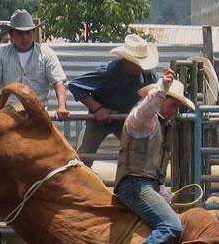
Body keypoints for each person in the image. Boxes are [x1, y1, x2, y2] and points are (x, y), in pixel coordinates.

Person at [112, 67, 195, 244]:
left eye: (178, 107)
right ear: (160, 100)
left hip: (144, 186)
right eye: (173, 104)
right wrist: (162, 89)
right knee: (172, 227)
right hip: (134, 186)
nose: (175, 110)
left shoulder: (160, 125)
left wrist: (163, 193)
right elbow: (146, 109)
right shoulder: (143, 121)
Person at [68, 34, 160, 162]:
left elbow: (158, 91)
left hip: (125, 119)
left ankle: (135, 180)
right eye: (137, 63)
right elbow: (75, 86)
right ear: (127, 61)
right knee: (83, 157)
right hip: (98, 120)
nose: (141, 67)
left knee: (139, 154)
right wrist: (98, 109)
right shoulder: (108, 71)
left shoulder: (147, 74)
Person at [0, 9, 69, 120]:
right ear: (11, 35)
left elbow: (58, 83)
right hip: (9, 116)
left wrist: (61, 107)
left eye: (28, 33)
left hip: (38, 115)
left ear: (33, 33)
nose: (25, 37)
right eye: (20, 33)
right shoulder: (1, 55)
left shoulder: (46, 54)